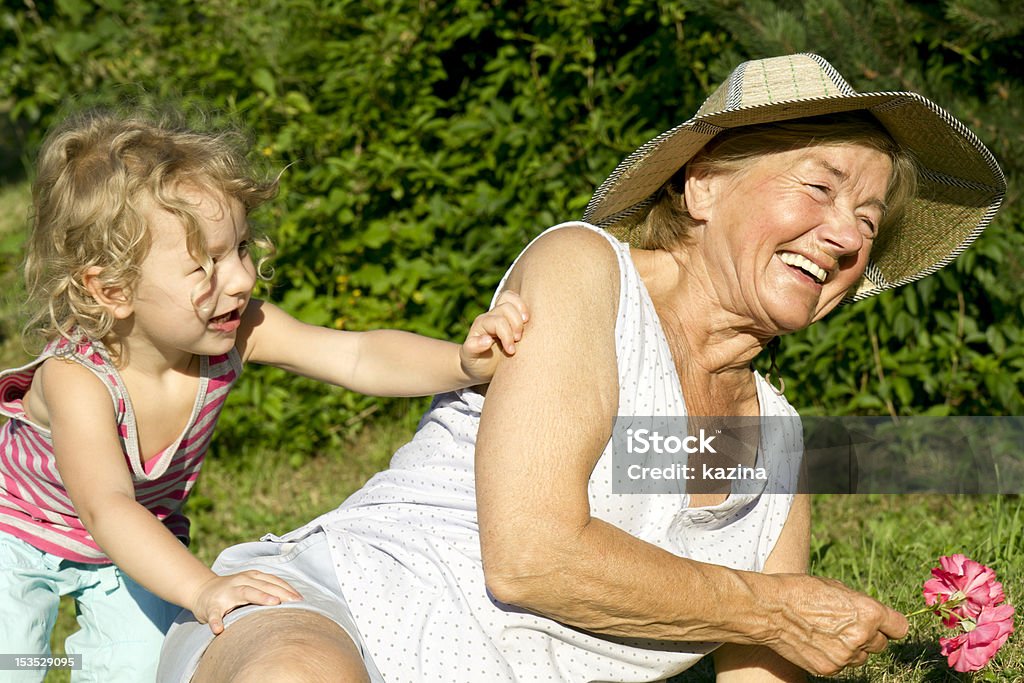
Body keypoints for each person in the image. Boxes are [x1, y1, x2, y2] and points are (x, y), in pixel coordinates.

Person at [158, 53, 1005, 683]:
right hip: (332, 613)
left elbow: (761, 653)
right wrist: (777, 607)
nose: (850, 235)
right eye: (819, 189)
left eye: (866, 217)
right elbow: (532, 554)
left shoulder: (773, 442)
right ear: (704, 185)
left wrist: (810, 627)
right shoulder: (586, 273)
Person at [0, 104, 530, 683]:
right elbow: (107, 506)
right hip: (19, 532)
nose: (243, 279)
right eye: (206, 266)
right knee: (15, 659)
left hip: (137, 542)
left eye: (242, 249)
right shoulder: (78, 378)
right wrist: (202, 588)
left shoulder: (235, 334)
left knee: (136, 669)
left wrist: (458, 361)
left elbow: (354, 354)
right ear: (113, 289)